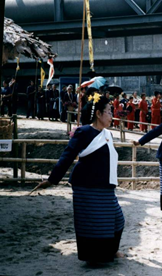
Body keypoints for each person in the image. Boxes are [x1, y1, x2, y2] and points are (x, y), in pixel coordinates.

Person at [32, 94, 125, 263]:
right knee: (93, 224)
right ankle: (96, 256)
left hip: (106, 186)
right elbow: (67, 156)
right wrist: (52, 180)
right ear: (98, 114)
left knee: (117, 219)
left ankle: (111, 250)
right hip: (86, 186)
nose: (112, 115)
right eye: (109, 112)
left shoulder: (108, 134)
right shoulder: (83, 132)